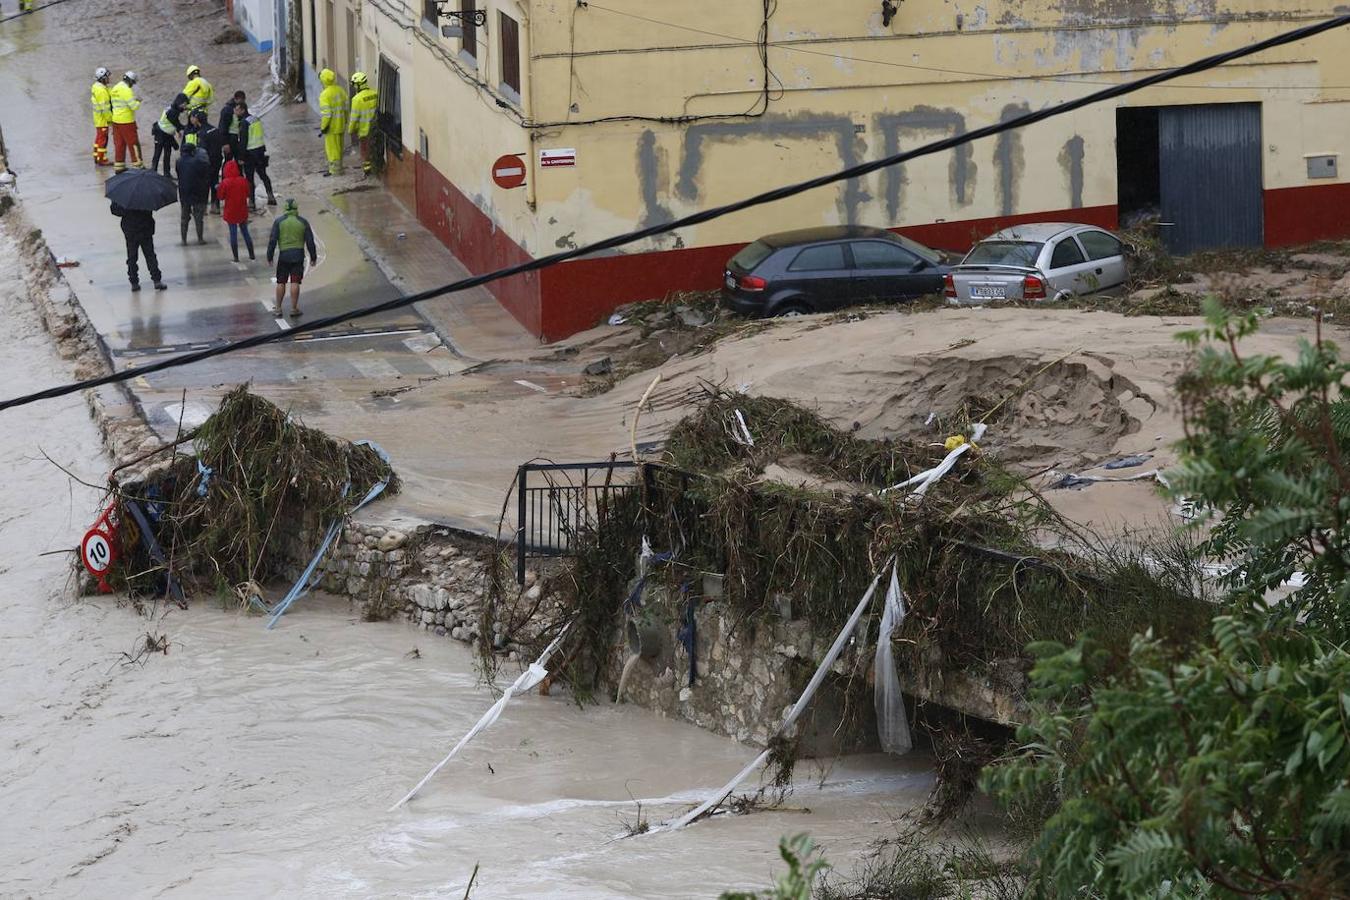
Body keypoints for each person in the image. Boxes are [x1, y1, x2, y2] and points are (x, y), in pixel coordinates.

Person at [266, 199, 317, 317]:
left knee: (281, 281)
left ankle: (278, 308)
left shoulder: (279, 222)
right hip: (298, 255)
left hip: (283, 256)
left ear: (285, 209)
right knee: (295, 281)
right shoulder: (303, 222)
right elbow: (310, 241)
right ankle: (294, 308)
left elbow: (272, 240)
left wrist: (270, 256)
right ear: (296, 208)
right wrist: (313, 257)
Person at [110, 201, 165, 291]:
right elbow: (151, 207)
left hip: (131, 229)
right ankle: (156, 279)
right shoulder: (146, 192)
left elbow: (115, 210)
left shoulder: (123, 194)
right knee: (149, 255)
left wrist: (126, 210)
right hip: (144, 227)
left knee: (132, 256)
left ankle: (134, 281)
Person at [236, 101, 276, 209]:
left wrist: (241, 157)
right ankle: (270, 195)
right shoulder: (256, 119)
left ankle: (251, 201)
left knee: (249, 178)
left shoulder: (244, 123)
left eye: (237, 110)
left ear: (243, 110)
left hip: (250, 153)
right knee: (263, 174)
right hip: (260, 151)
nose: (236, 112)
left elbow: (243, 141)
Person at [216, 159, 255, 262]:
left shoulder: (225, 183)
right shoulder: (243, 180)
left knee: (233, 234)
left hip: (231, 211)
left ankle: (236, 257)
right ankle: (251, 254)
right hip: (242, 210)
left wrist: (218, 189)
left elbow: (221, 197)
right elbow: (248, 193)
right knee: (245, 232)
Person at [189, 110, 225, 213]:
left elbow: (202, 150)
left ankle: (203, 208)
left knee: (204, 185)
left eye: (193, 118)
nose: (192, 119)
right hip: (217, 160)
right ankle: (215, 206)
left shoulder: (202, 133)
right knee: (215, 183)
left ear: (198, 120)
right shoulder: (215, 129)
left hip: (207, 163)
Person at [176, 140, 211, 245]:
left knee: (184, 218)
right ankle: (200, 238)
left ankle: (184, 240)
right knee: (198, 217)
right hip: (197, 192)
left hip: (184, 193)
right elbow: (206, 172)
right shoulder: (198, 162)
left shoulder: (178, 162)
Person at [109, 71, 143, 173]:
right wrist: (138, 101)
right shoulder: (127, 90)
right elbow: (133, 106)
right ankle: (138, 164)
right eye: (133, 83)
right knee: (133, 143)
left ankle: (119, 166)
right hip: (127, 121)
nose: (132, 85)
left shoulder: (115, 88)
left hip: (116, 121)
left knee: (119, 144)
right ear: (130, 81)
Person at [317, 68, 347, 177]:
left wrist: (323, 127)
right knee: (339, 148)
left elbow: (327, 114)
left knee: (332, 150)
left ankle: (334, 171)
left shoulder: (324, 95)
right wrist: (346, 120)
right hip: (341, 124)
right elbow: (346, 107)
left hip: (331, 127)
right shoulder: (340, 90)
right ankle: (340, 168)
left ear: (323, 81)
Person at [150, 92, 189, 177]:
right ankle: (154, 172)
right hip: (161, 133)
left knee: (167, 154)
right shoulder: (173, 112)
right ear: (180, 102)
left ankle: (166, 173)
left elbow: (174, 123)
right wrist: (184, 128)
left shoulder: (173, 109)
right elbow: (176, 123)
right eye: (184, 104)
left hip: (166, 134)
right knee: (158, 153)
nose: (185, 107)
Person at [347, 71, 378, 176]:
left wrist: (350, 130)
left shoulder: (356, 99)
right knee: (375, 150)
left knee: (365, 153)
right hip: (376, 129)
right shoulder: (374, 94)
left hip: (364, 132)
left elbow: (354, 118)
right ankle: (376, 167)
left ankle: (367, 172)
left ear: (358, 85)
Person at [90, 67, 113, 167]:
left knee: (99, 138)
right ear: (102, 78)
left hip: (98, 118)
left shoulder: (98, 87)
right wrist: (110, 119)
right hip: (102, 119)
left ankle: (97, 156)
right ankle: (101, 159)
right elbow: (105, 108)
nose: (109, 79)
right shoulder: (101, 91)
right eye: (107, 77)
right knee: (103, 140)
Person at [218, 90, 246, 162]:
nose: (242, 102)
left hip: (238, 139)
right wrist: (225, 143)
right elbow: (222, 127)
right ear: (236, 99)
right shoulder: (227, 110)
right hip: (230, 139)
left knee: (239, 160)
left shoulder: (242, 107)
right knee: (228, 160)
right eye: (241, 100)